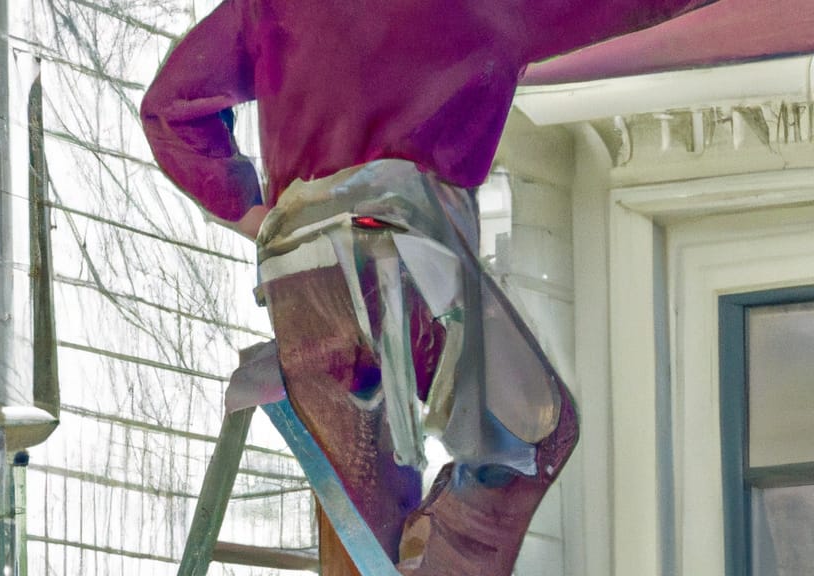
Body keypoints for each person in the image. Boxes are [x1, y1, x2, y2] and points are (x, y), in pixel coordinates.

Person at [142, 2, 716, 573]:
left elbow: (168, 108)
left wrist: (249, 207)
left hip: (299, 271)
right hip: (405, 251)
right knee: (533, 432)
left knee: (367, 533)